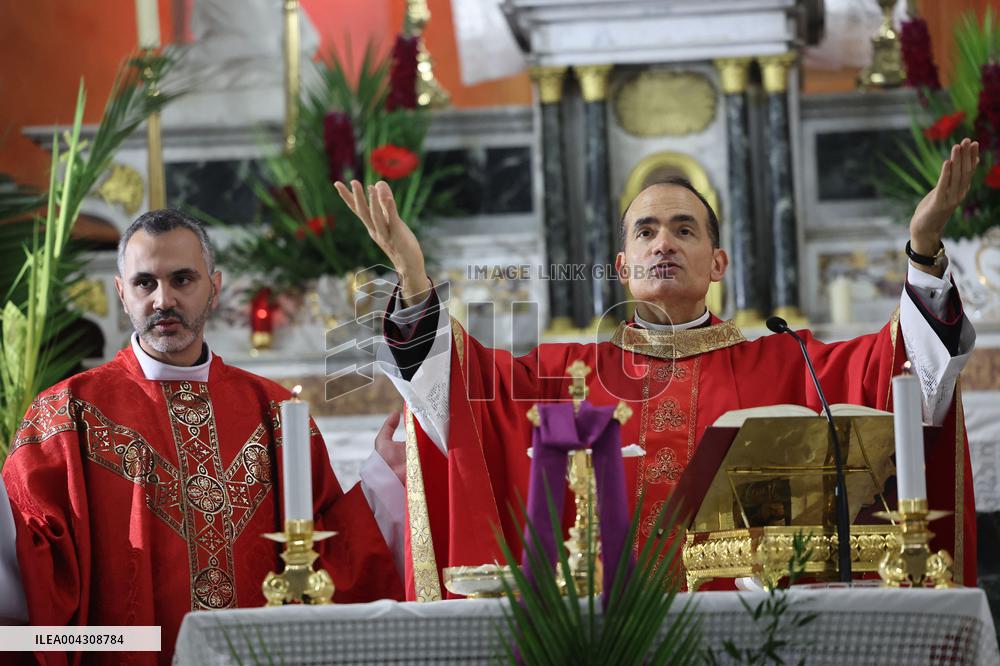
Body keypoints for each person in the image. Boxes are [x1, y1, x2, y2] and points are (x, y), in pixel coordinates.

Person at [335, 139, 980, 600]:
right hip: (603, 628)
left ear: (717, 263)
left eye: (683, 230)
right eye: (645, 232)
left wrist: (923, 252)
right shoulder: (565, 374)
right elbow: (463, 395)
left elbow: (902, 377)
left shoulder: (790, 363)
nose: (663, 243)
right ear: (623, 265)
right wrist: (414, 279)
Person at [0, 210, 405, 665]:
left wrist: (384, 481)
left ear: (214, 287)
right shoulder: (66, 414)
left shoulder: (274, 412)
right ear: (121, 292)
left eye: (182, 279)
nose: (163, 299)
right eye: (144, 283)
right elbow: (32, 567)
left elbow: (330, 555)